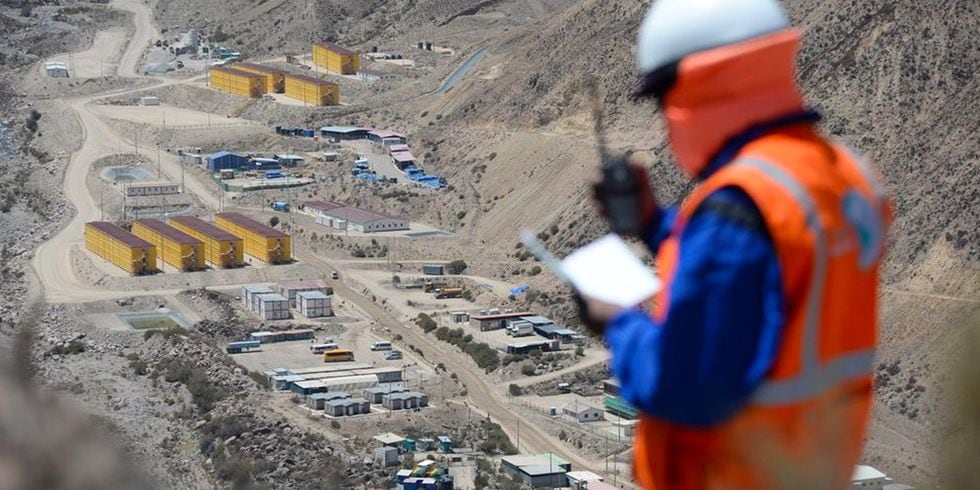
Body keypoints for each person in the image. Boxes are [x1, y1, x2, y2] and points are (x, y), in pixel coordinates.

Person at [579, 0, 892, 488]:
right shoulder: (845, 178)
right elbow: (769, 276)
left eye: (664, 102)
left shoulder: (739, 208)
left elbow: (686, 386)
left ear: (697, 88)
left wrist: (616, 321)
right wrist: (654, 224)